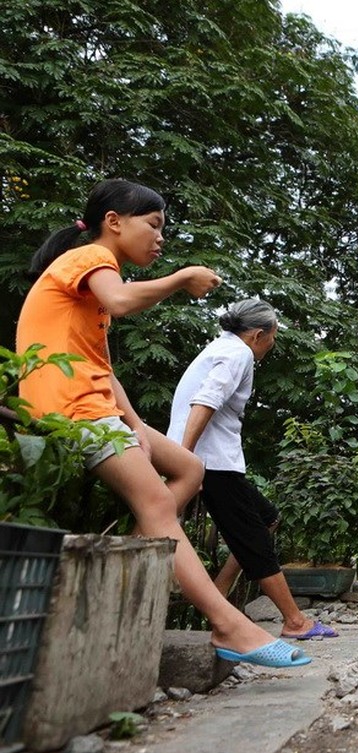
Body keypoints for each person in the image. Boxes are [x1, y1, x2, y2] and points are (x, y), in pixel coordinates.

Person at [14, 179, 308, 668]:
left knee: (189, 468)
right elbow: (125, 300)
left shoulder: (94, 297)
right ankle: (229, 626)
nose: (160, 238)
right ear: (114, 223)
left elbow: (104, 370)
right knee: (155, 502)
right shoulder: (92, 260)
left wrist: (134, 427)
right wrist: (181, 277)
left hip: (94, 403)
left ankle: (126, 564)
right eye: (153, 225)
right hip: (67, 405)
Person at [167, 298, 336, 641]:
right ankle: (294, 621)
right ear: (259, 334)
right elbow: (206, 401)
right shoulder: (237, 353)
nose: (272, 344)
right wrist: (185, 461)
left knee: (266, 518)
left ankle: (220, 588)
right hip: (210, 462)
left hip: (212, 459)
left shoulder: (221, 348)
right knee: (254, 538)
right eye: (273, 336)